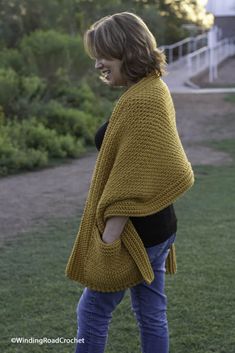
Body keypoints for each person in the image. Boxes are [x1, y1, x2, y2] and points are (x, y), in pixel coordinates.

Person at [65, 12, 194, 353]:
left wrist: (108, 244)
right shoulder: (153, 88)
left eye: (104, 55)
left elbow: (128, 186)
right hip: (161, 227)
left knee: (92, 311)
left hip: (134, 234)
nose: (98, 64)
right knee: (151, 313)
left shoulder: (140, 101)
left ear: (128, 51)